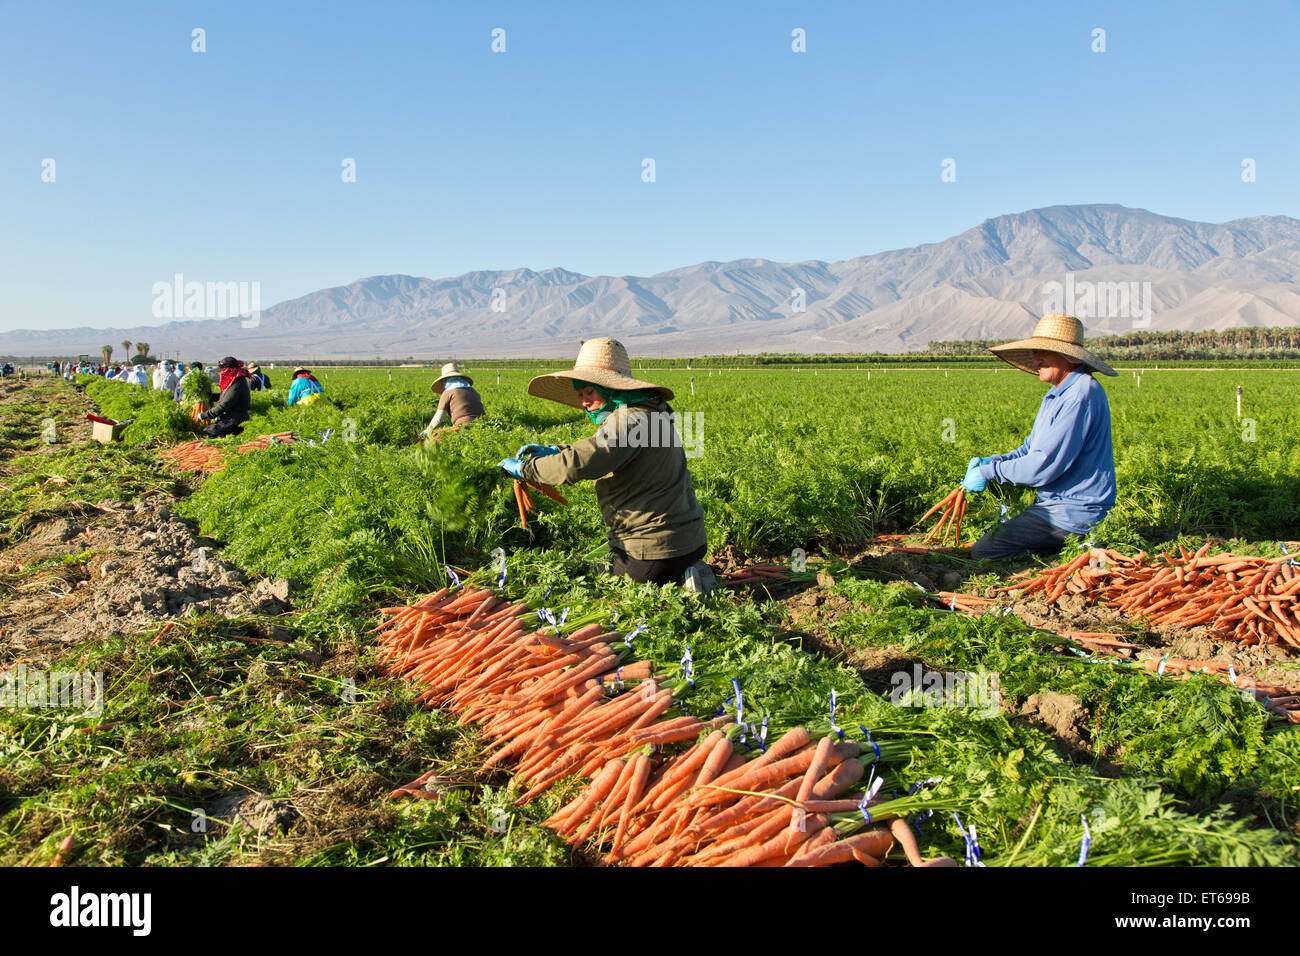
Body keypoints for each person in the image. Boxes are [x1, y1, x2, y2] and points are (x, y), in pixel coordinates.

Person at [500, 338, 712, 591]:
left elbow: (581, 463)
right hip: (688, 541)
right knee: (605, 558)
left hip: (654, 550)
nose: (584, 402)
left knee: (595, 583)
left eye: (590, 392)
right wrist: (556, 451)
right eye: (581, 394)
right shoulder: (652, 413)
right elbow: (604, 449)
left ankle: (678, 581)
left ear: (614, 388)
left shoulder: (631, 420)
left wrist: (526, 469)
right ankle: (686, 572)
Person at [964, 314, 1118, 560]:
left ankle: (1070, 553)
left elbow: (1042, 466)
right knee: (995, 542)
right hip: (1055, 507)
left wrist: (990, 473)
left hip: (1074, 513)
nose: (1037, 358)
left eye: (1044, 351)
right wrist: (992, 461)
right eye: (1036, 351)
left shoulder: (1080, 394)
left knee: (986, 551)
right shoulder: (1057, 395)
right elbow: (1029, 449)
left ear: (1068, 355)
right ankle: (1066, 551)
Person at [421, 362, 485, 438]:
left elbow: (439, 418)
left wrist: (428, 430)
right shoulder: (473, 390)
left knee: (438, 437)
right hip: (483, 425)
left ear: (445, 380)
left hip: (463, 427)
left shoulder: (448, 392)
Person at [197, 356, 252, 438]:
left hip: (235, 419)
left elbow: (225, 404)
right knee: (208, 431)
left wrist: (205, 415)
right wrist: (208, 396)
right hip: (230, 417)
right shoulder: (234, 381)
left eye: (223, 369)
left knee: (208, 433)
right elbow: (224, 397)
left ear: (229, 370)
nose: (222, 372)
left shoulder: (238, 383)